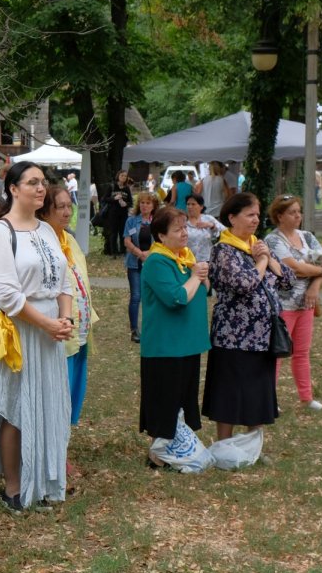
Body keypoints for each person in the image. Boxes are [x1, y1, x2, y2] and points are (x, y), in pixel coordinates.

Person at [0, 162, 73, 511]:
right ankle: (14, 489)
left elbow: (64, 282)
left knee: (47, 404)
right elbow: (6, 295)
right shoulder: (0, 232)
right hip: (20, 331)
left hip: (51, 331)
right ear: (13, 189)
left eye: (42, 182)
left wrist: (64, 319)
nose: (40, 188)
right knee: (16, 408)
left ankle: (44, 481)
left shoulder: (47, 231)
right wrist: (46, 324)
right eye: (32, 182)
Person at [202, 192, 294, 440]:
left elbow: (289, 281)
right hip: (233, 336)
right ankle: (224, 443)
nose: (256, 219)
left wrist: (269, 261)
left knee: (257, 392)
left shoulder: (256, 244)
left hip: (262, 335)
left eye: (257, 214)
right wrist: (263, 261)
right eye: (249, 214)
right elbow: (245, 283)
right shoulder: (224, 250)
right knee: (230, 391)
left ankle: (253, 444)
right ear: (232, 218)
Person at [139, 207, 210, 459]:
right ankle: (160, 453)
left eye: (185, 228)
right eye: (177, 229)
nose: (184, 233)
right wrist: (195, 276)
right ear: (161, 235)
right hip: (165, 345)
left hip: (187, 343)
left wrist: (201, 277)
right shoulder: (157, 261)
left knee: (183, 396)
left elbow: (203, 291)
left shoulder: (184, 257)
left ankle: (180, 446)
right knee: (166, 398)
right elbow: (177, 298)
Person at [264, 195, 322, 411]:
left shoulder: (308, 237)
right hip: (283, 305)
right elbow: (294, 268)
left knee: (302, 352)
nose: (298, 216)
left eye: (298, 211)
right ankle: (269, 400)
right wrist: (318, 269)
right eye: (292, 212)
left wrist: (315, 285)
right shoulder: (273, 240)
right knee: (278, 352)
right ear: (279, 216)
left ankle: (306, 397)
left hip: (306, 304)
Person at [39, 183, 97, 427]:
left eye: (68, 206)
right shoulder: (40, 241)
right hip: (59, 330)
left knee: (74, 393)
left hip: (79, 330)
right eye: (59, 207)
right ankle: (55, 452)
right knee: (58, 396)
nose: (66, 212)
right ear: (44, 212)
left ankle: (63, 445)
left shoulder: (69, 239)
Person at [123, 191, 159, 343]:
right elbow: (127, 241)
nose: (144, 206)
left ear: (153, 206)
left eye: (148, 203)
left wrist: (149, 253)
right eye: (142, 203)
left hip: (152, 263)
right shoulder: (131, 221)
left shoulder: (157, 221)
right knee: (136, 296)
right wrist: (139, 253)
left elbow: (161, 241)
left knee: (150, 297)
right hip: (134, 263)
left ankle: (151, 329)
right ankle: (134, 330)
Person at [184, 193, 224, 264]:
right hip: (188, 260)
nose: (190, 207)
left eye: (193, 204)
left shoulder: (208, 218)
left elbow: (224, 231)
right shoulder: (183, 221)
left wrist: (211, 226)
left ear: (201, 207)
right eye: (188, 204)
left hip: (207, 259)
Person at [103, 170, 132, 256]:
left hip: (123, 214)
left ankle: (123, 251)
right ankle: (114, 252)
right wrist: (114, 198)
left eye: (125, 176)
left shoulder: (127, 188)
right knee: (113, 232)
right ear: (118, 176)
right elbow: (105, 198)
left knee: (123, 232)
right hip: (113, 213)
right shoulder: (112, 186)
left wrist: (126, 204)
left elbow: (131, 202)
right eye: (122, 175)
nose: (123, 177)